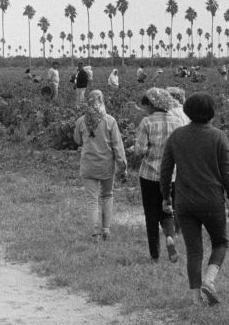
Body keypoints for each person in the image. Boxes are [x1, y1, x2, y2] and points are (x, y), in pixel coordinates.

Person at [160, 93, 229, 306]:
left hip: (184, 201)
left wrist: (166, 198)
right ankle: (209, 280)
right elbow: (227, 173)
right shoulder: (219, 137)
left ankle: (195, 298)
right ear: (211, 113)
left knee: (194, 250)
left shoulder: (177, 136)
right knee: (220, 242)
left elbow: (165, 170)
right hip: (212, 200)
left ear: (187, 111)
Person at [132, 88, 183, 263]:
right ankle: (170, 236)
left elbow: (140, 150)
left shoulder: (147, 122)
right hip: (171, 175)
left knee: (151, 215)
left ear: (152, 104)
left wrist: (139, 149)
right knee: (167, 209)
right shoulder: (176, 121)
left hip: (149, 175)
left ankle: (154, 255)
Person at [74, 90, 127, 241]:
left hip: (88, 165)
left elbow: (77, 141)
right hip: (106, 166)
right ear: (102, 101)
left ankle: (94, 234)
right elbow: (118, 146)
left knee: (92, 199)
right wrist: (122, 166)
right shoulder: (110, 121)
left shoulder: (81, 121)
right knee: (107, 195)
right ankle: (106, 230)